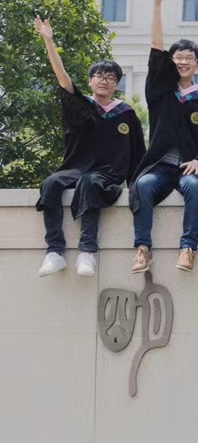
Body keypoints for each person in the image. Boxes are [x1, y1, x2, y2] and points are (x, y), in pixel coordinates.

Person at [33, 16, 144, 277]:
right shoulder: (83, 106)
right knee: (51, 183)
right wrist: (49, 41)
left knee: (90, 183)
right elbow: (63, 79)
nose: (104, 80)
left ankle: (87, 252)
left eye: (110, 77)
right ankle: (55, 251)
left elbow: (138, 152)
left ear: (117, 84)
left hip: (107, 174)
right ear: (91, 81)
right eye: (98, 76)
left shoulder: (126, 114)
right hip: (76, 168)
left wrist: (136, 185)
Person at [131, 0, 198, 274]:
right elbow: (156, 48)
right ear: (171, 62)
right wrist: (158, 4)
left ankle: (188, 248)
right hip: (160, 165)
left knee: (194, 187)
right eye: (178, 57)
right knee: (142, 185)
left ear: (197, 64)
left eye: (189, 58)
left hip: (188, 167)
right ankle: (143, 248)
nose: (183, 61)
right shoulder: (160, 93)